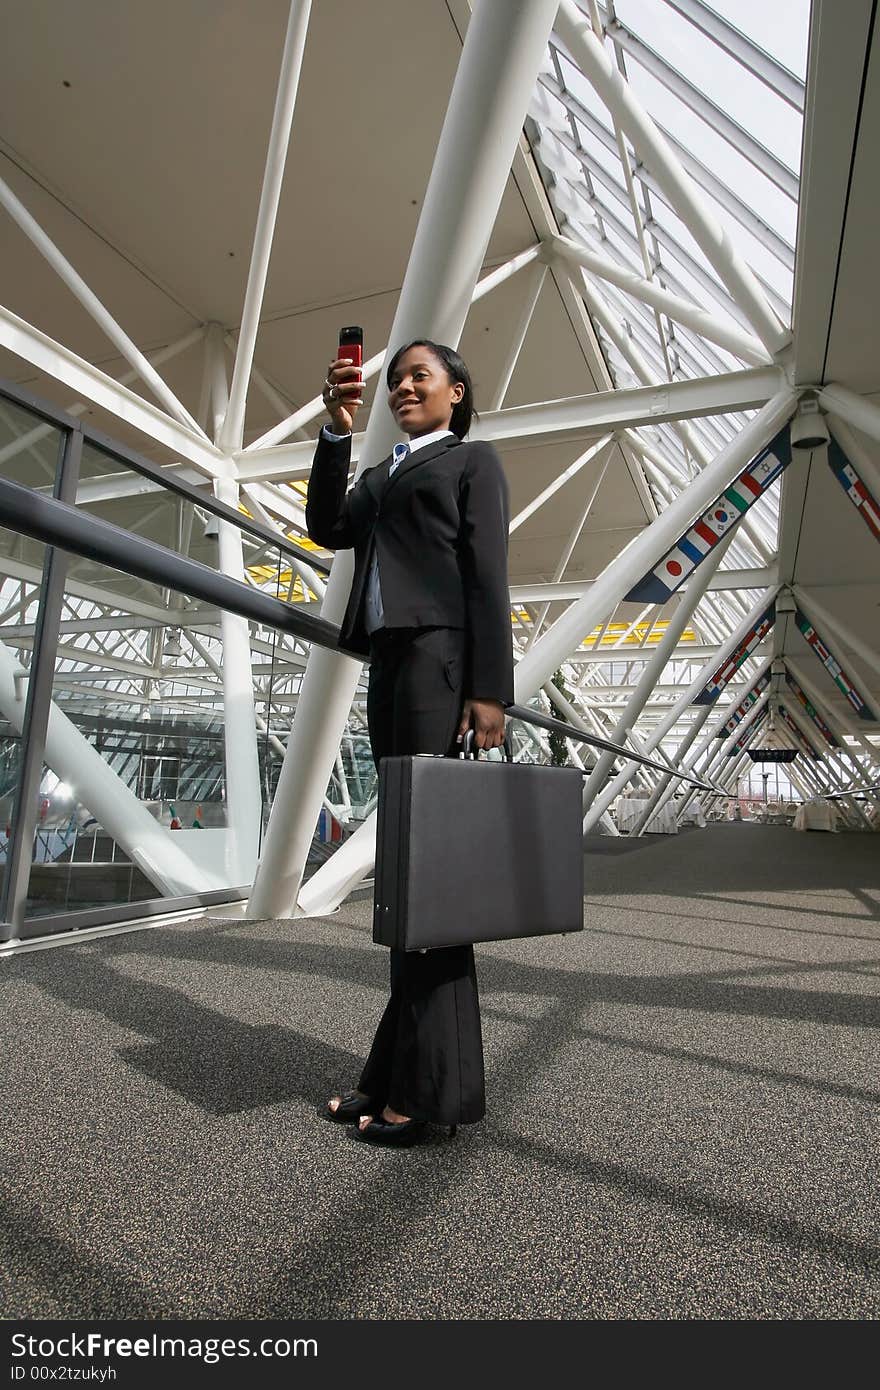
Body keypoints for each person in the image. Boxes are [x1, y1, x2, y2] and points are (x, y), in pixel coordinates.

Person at [306, 338, 514, 1147]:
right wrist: (336, 426)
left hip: (442, 663)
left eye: (419, 377)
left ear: (457, 392)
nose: (402, 388)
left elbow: (487, 574)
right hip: (391, 666)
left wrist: (489, 689)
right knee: (408, 877)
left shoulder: (473, 463)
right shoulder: (383, 474)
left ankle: (423, 1100)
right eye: (395, 381)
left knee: (429, 880)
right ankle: (396, 1080)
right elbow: (328, 526)